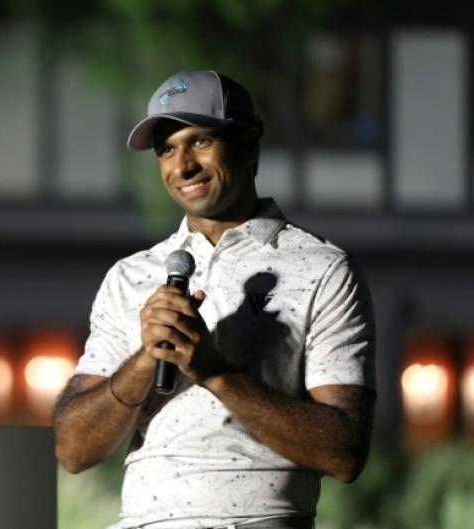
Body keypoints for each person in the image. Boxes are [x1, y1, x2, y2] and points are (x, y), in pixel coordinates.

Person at [52, 70, 376, 529]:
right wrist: (149, 356)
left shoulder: (323, 268)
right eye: (167, 149)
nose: (181, 165)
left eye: (200, 141)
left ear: (249, 145)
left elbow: (344, 452)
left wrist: (214, 370)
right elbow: (72, 450)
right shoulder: (131, 276)